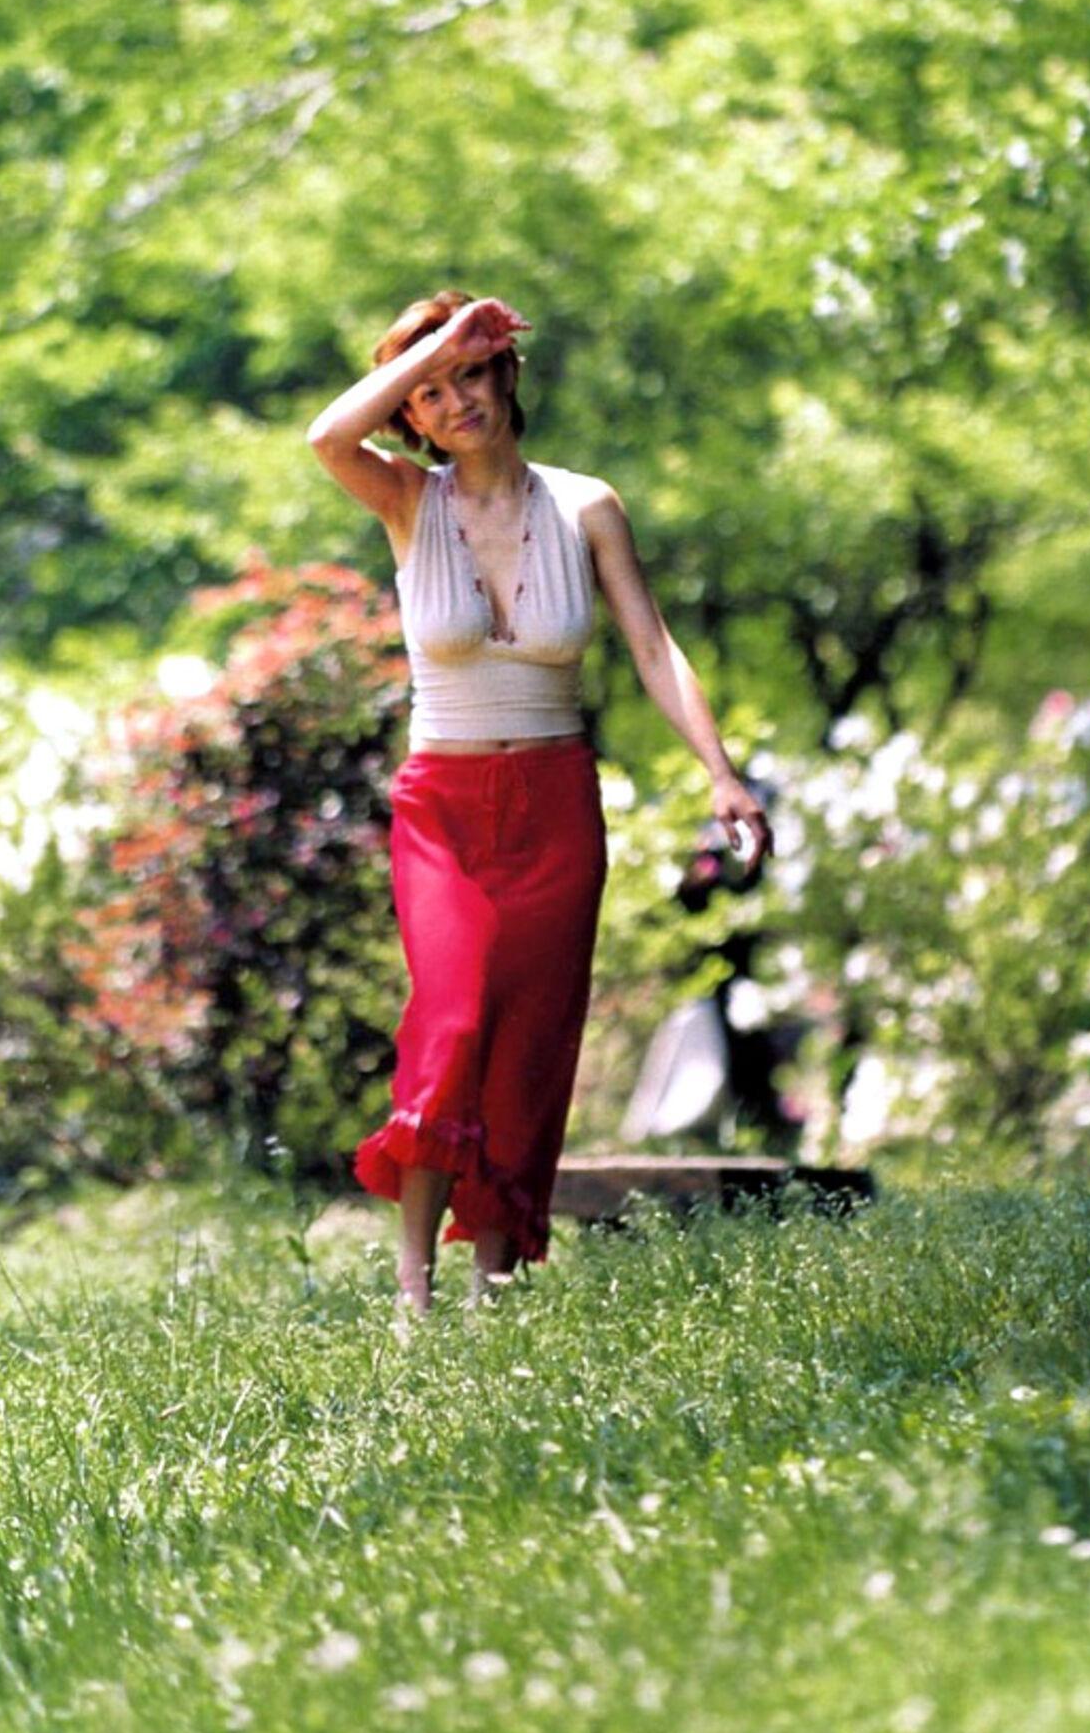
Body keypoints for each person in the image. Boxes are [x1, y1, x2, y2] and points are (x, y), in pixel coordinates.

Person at [305, 289, 771, 1323]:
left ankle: (495, 1284)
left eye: (471, 374)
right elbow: (326, 435)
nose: (456, 401)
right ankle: (414, 1295)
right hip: (446, 808)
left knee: (527, 1044)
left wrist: (720, 771)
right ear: (409, 415)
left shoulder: (586, 505)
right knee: (453, 1021)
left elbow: (653, 646)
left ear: (507, 373)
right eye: (429, 393)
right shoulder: (405, 500)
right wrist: (441, 341)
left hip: (557, 804)